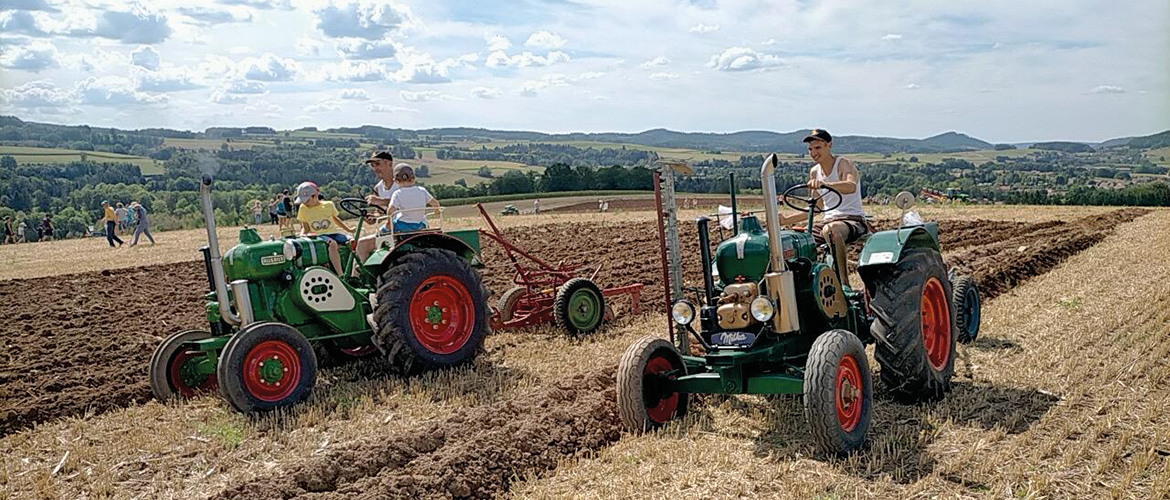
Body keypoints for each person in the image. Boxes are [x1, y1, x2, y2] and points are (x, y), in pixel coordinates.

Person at [776, 129, 869, 286]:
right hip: (828, 221)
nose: (813, 153)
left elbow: (850, 186)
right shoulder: (814, 172)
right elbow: (816, 208)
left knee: (831, 230)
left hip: (851, 220)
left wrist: (824, 184)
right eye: (810, 149)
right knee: (793, 241)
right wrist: (786, 220)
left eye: (818, 148)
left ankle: (844, 285)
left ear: (829, 145)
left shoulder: (843, 164)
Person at [294, 181, 353, 276]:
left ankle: (355, 272)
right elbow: (305, 227)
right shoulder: (303, 209)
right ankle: (341, 274)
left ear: (314, 196)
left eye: (307, 200)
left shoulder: (329, 205)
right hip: (319, 235)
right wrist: (302, 236)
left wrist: (349, 230)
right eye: (302, 201)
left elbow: (336, 219)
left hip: (333, 233)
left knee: (353, 241)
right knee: (332, 244)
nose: (304, 203)